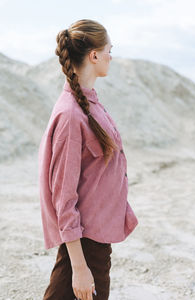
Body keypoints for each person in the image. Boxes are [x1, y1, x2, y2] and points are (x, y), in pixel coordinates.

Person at [38, 19, 138, 300]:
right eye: (109, 49)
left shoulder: (90, 103)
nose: (111, 56)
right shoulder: (70, 114)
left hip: (96, 241)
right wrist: (79, 267)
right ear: (94, 55)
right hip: (84, 246)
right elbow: (63, 196)